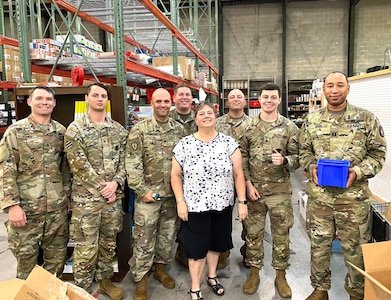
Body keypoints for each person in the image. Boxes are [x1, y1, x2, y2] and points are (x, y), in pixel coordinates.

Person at [299, 71, 387, 300]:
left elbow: (378, 154)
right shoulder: (312, 119)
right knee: (318, 247)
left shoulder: (366, 118)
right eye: (329, 86)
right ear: (324, 90)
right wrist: (311, 167)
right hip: (320, 199)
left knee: (356, 251)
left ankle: (357, 294)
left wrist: (357, 172)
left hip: (354, 201)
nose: (334, 90)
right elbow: (303, 152)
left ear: (348, 89)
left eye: (339, 85)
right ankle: (320, 290)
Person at [171, 102, 248, 300]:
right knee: (196, 250)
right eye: (202, 114)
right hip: (194, 207)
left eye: (210, 113)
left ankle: (212, 277)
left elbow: (238, 174)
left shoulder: (229, 143)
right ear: (195, 119)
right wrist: (180, 201)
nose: (206, 116)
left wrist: (242, 202)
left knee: (216, 244)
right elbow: (175, 175)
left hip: (222, 205)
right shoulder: (184, 144)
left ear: (216, 117)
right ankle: (195, 286)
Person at [64, 82, 128, 300]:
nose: (100, 99)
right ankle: (80, 291)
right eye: (96, 95)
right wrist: (104, 189)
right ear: (87, 98)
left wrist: (116, 183)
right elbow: (78, 165)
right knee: (85, 248)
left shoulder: (118, 130)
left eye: (103, 96)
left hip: (112, 201)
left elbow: (125, 162)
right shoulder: (76, 129)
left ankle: (105, 282)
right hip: (87, 201)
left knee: (108, 244)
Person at [235, 83, 300, 298]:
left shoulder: (289, 128)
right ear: (259, 100)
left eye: (273, 97)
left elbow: (299, 157)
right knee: (253, 235)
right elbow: (240, 159)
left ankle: (280, 275)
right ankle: (254, 272)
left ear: (279, 100)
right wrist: (248, 185)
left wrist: (285, 161)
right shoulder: (247, 127)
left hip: (280, 192)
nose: (269, 100)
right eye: (265, 97)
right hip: (254, 192)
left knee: (282, 236)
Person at [0, 85, 70, 279]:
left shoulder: (60, 132)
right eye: (39, 98)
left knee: (56, 261)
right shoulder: (16, 132)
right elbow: (5, 169)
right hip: (26, 209)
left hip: (56, 209)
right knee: (26, 262)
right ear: (30, 102)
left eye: (48, 99)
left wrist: (67, 197)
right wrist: (12, 205)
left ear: (54, 103)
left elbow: (65, 169)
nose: (44, 102)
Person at [126, 88, 186, 300]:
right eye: (158, 101)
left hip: (171, 196)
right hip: (148, 196)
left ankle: (160, 268)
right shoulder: (139, 130)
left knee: (167, 236)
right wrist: (142, 191)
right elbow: (132, 163)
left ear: (171, 103)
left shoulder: (179, 130)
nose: (162, 105)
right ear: (152, 103)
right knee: (143, 238)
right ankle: (141, 278)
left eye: (166, 101)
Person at [215, 88, 250, 268]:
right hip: (222, 181)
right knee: (222, 218)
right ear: (227, 103)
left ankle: (248, 250)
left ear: (245, 102)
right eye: (232, 97)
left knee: (250, 219)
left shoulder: (253, 124)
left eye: (239, 97)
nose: (236, 100)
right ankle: (223, 251)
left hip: (247, 179)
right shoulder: (217, 124)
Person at [168, 84, 198, 268]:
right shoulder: (166, 118)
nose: (185, 97)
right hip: (173, 177)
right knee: (173, 219)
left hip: (196, 180)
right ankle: (176, 252)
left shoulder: (200, 118)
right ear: (175, 98)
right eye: (181, 94)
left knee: (193, 218)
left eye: (188, 94)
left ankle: (187, 251)